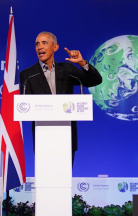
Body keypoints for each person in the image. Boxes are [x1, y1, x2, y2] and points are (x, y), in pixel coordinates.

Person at [19, 31, 102, 164]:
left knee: (65, 181)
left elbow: (94, 80)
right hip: (43, 137)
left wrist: (82, 63)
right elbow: (25, 107)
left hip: (67, 134)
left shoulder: (68, 69)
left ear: (55, 47)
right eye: (37, 44)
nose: (39, 47)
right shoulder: (27, 75)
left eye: (44, 43)